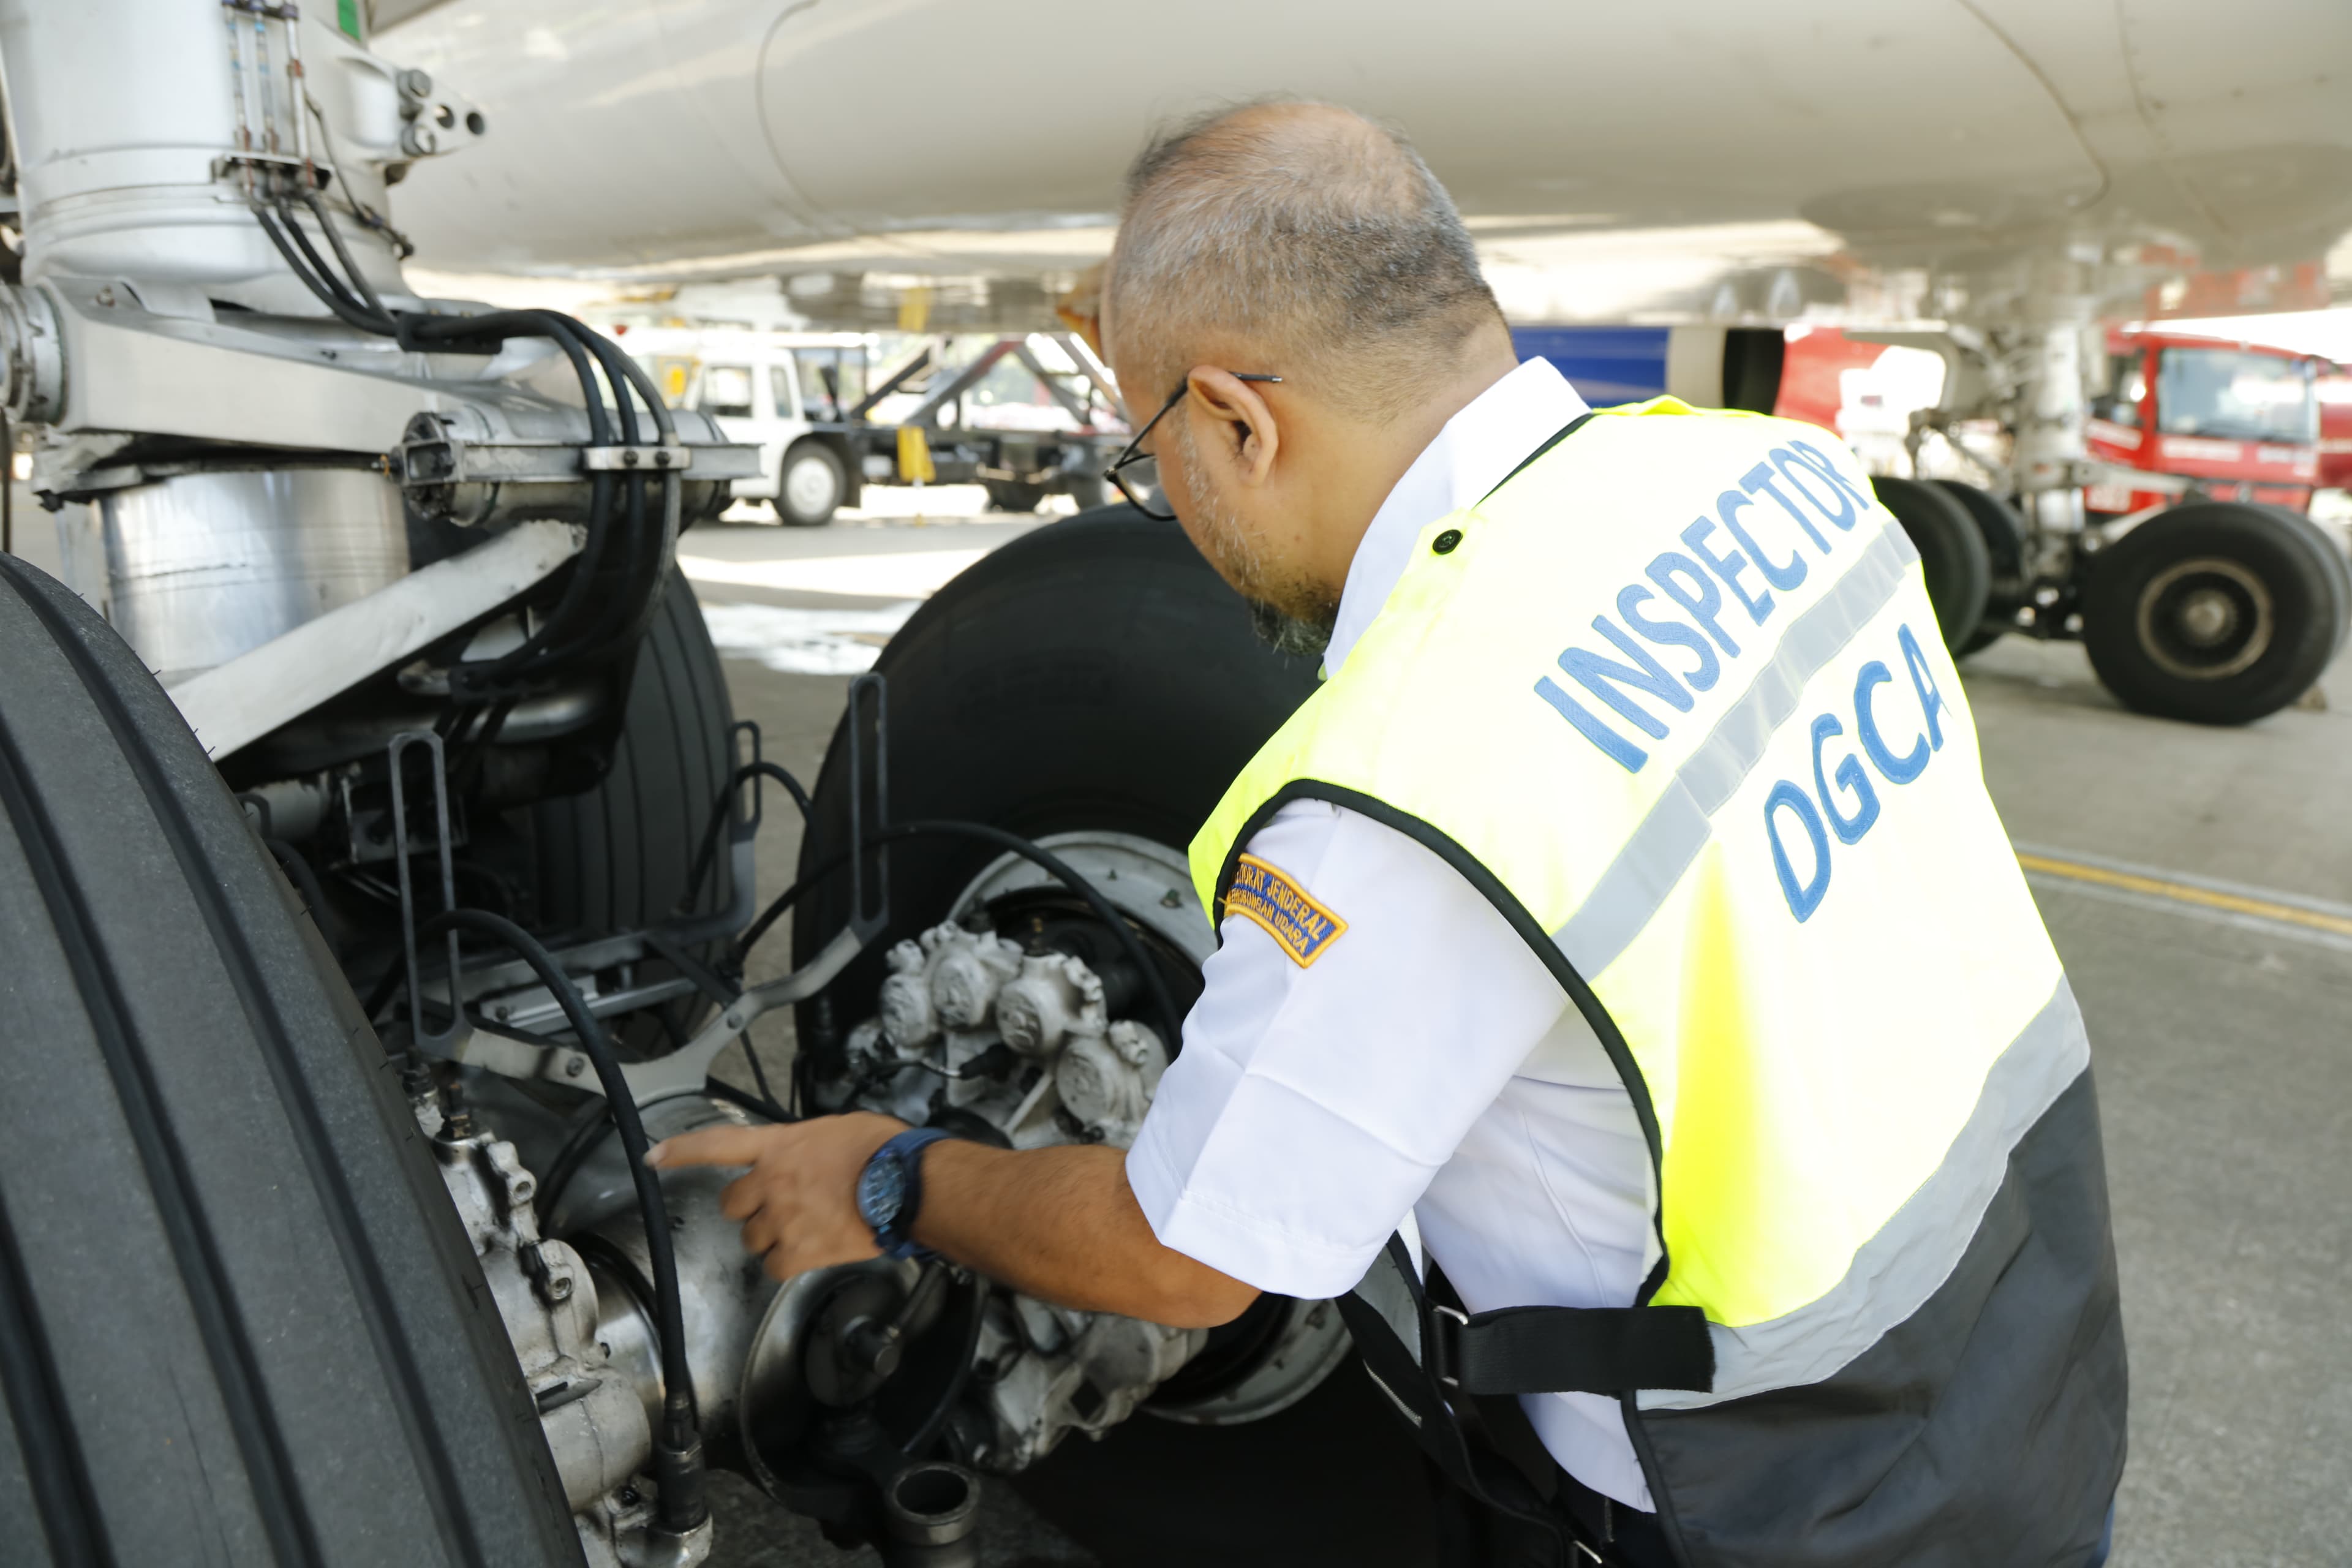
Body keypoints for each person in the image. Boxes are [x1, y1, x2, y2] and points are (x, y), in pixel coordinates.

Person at [649, 102, 2127, 1567]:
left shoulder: (1409, 785)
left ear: (1235, 418)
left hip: (1779, 1487)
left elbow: (1179, 1260)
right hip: (2028, 1336)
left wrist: (884, 1169)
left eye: (1150, 451)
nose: (1162, 499)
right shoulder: (1765, 478)